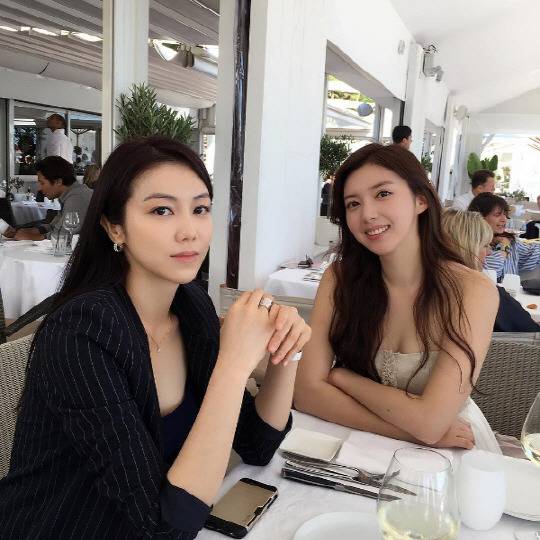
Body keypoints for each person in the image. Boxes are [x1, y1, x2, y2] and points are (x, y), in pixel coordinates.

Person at [0, 137, 311, 538]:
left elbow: (257, 446)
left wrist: (286, 350)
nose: (190, 232)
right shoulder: (80, 333)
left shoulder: (190, 304)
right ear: (115, 227)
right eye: (162, 210)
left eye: (200, 209)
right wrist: (234, 367)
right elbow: (164, 527)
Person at [294, 143, 500, 452]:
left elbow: (432, 421)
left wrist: (343, 378)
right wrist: (410, 432)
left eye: (383, 194)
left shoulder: (472, 290)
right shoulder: (339, 279)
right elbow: (306, 393)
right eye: (353, 204)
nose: (368, 214)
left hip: (447, 451)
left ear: (420, 200)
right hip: (356, 446)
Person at [441, 209, 539, 332]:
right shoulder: (484, 293)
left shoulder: (429, 286)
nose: (489, 252)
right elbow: (531, 331)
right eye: (484, 245)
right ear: (468, 246)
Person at [3, 156, 92, 241]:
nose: (40, 188)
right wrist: (32, 231)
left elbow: (62, 236)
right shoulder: (70, 194)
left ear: (58, 181)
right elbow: (54, 226)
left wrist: (31, 237)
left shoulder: (77, 197)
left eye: (42, 183)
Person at [468, 192, 540, 281]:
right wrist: (504, 248)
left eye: (505, 214)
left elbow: (533, 252)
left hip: (510, 290)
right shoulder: (471, 244)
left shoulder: (509, 240)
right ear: (480, 217)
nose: (504, 219)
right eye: (497, 215)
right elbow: (490, 272)